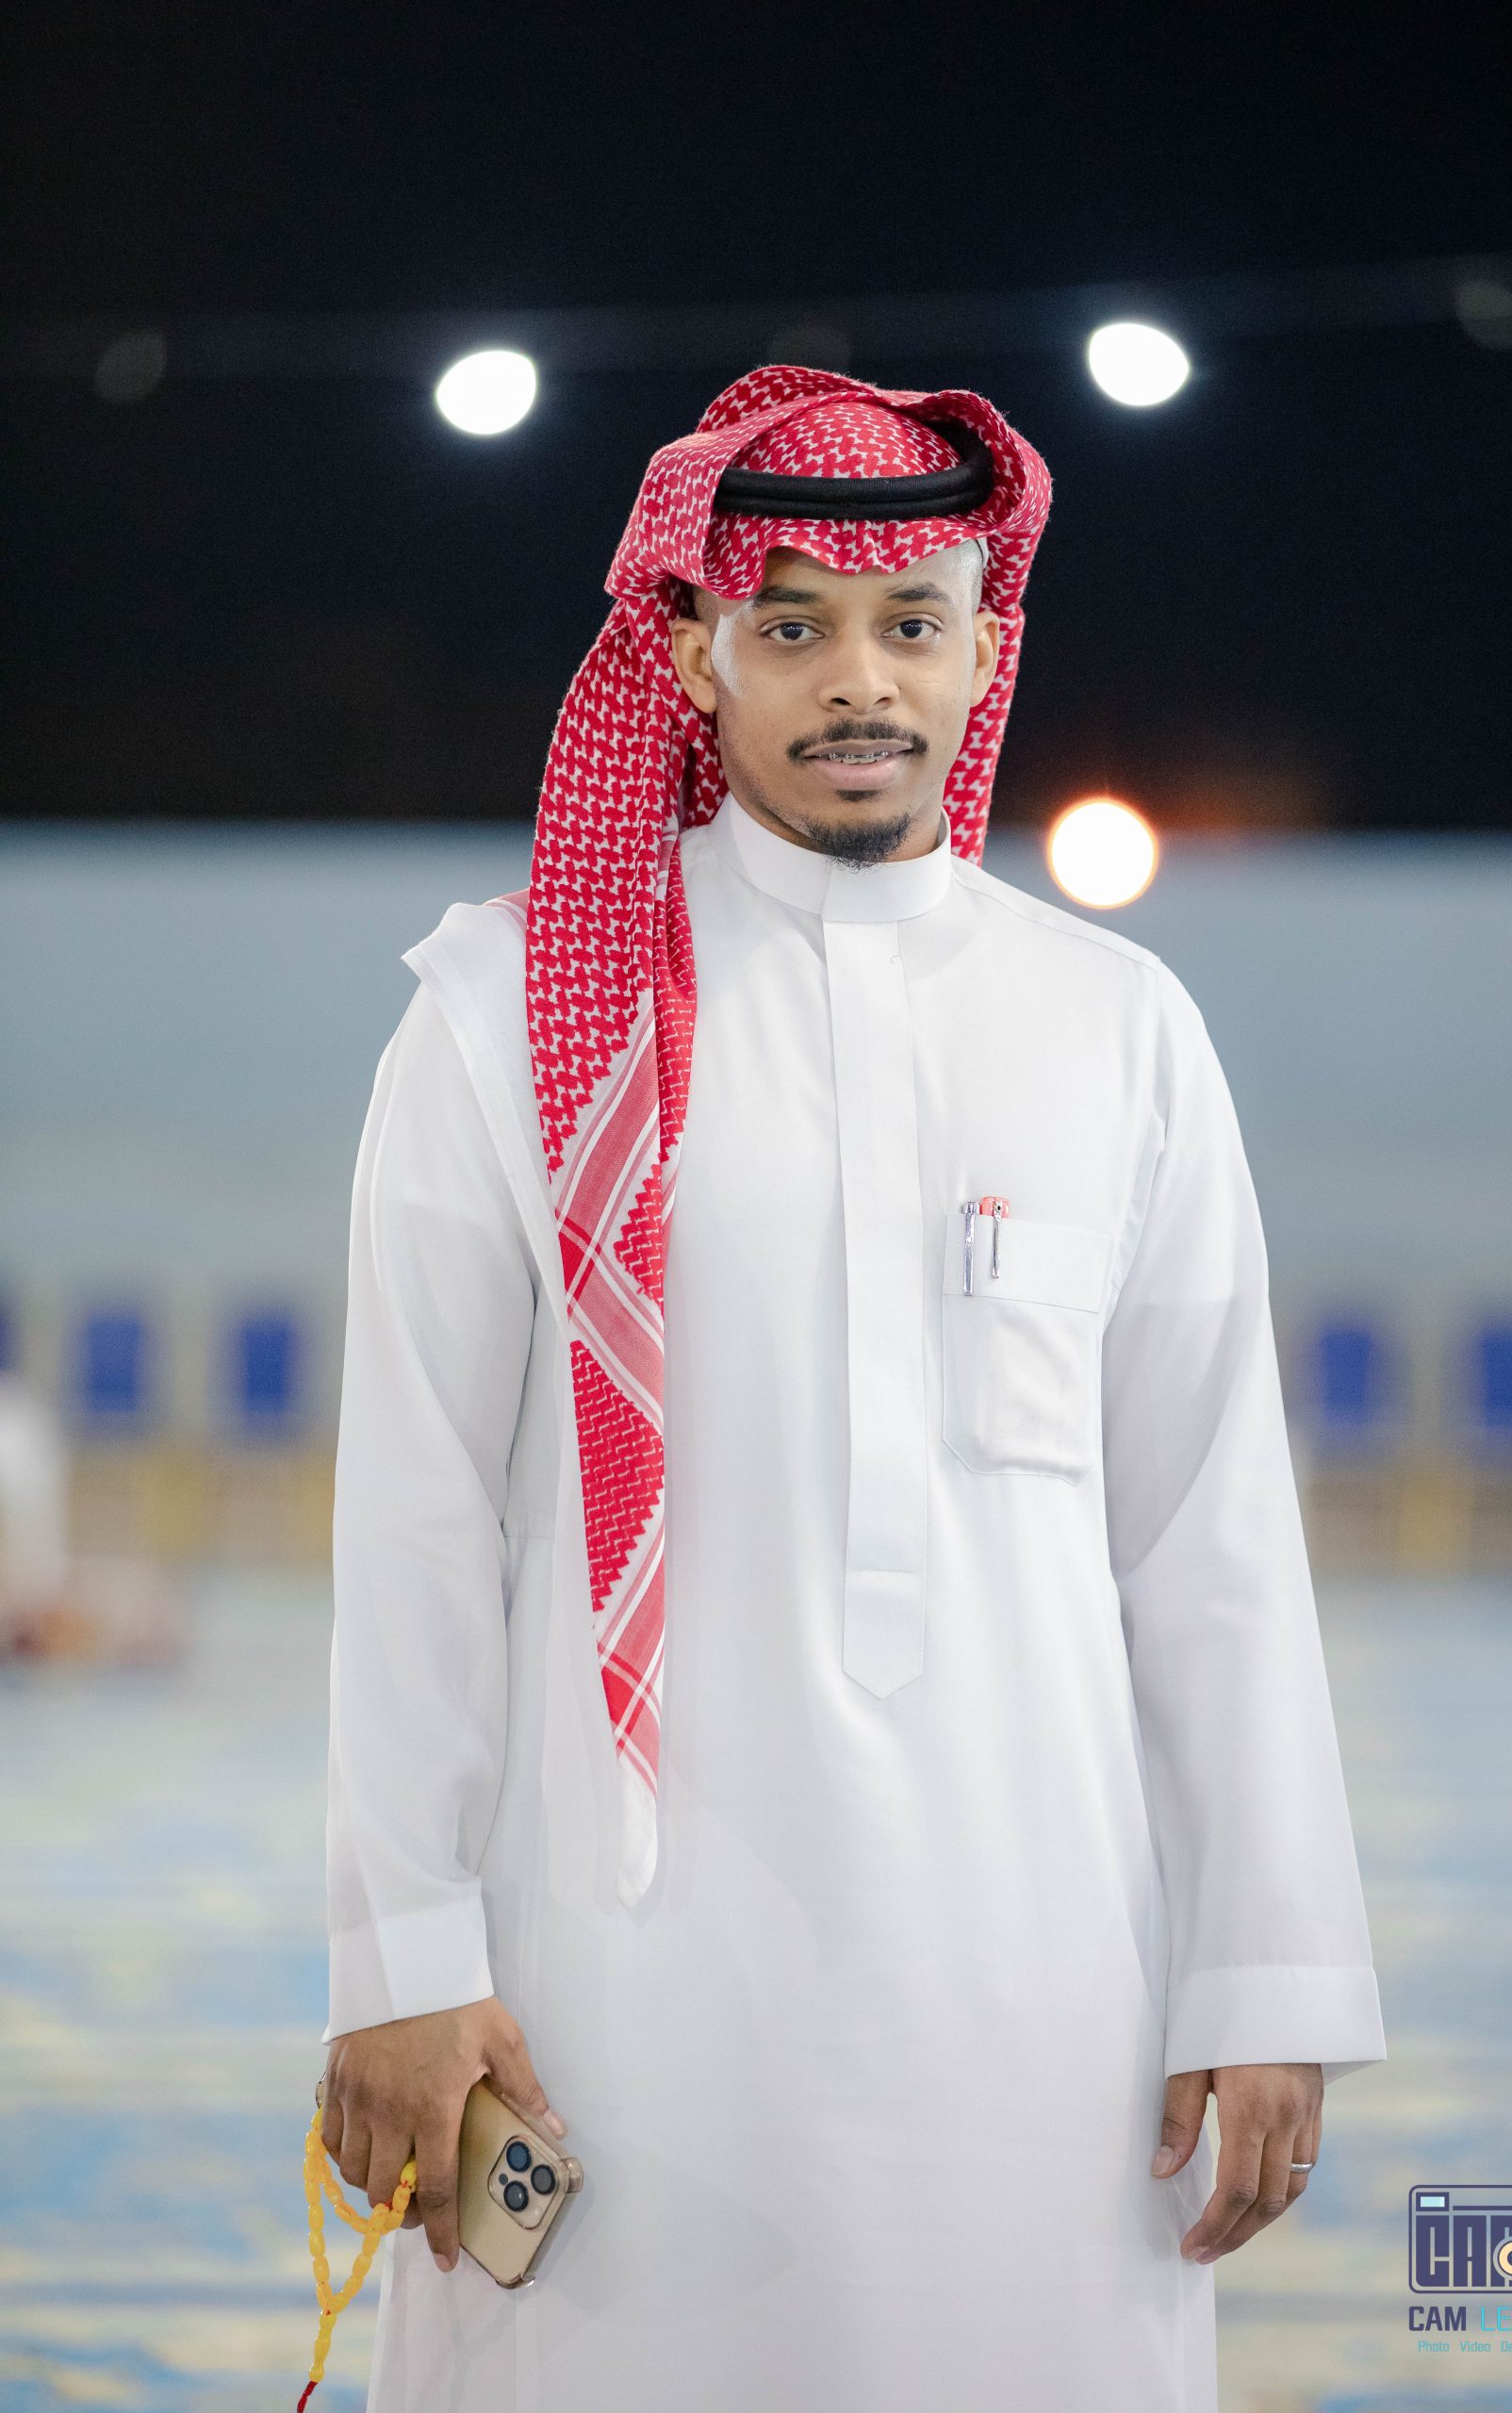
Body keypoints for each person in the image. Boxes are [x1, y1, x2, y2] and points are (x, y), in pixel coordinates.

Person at [317, 366, 1385, 2412]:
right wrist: (403, 1962)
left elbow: (1211, 1534)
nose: (858, 679)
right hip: (609, 1980)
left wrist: (1266, 1968)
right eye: (792, 625)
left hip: (1047, 1983)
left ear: (985, 646)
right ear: (690, 655)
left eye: (910, 622)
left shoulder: (1118, 1029)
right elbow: (416, 1520)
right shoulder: (499, 1020)